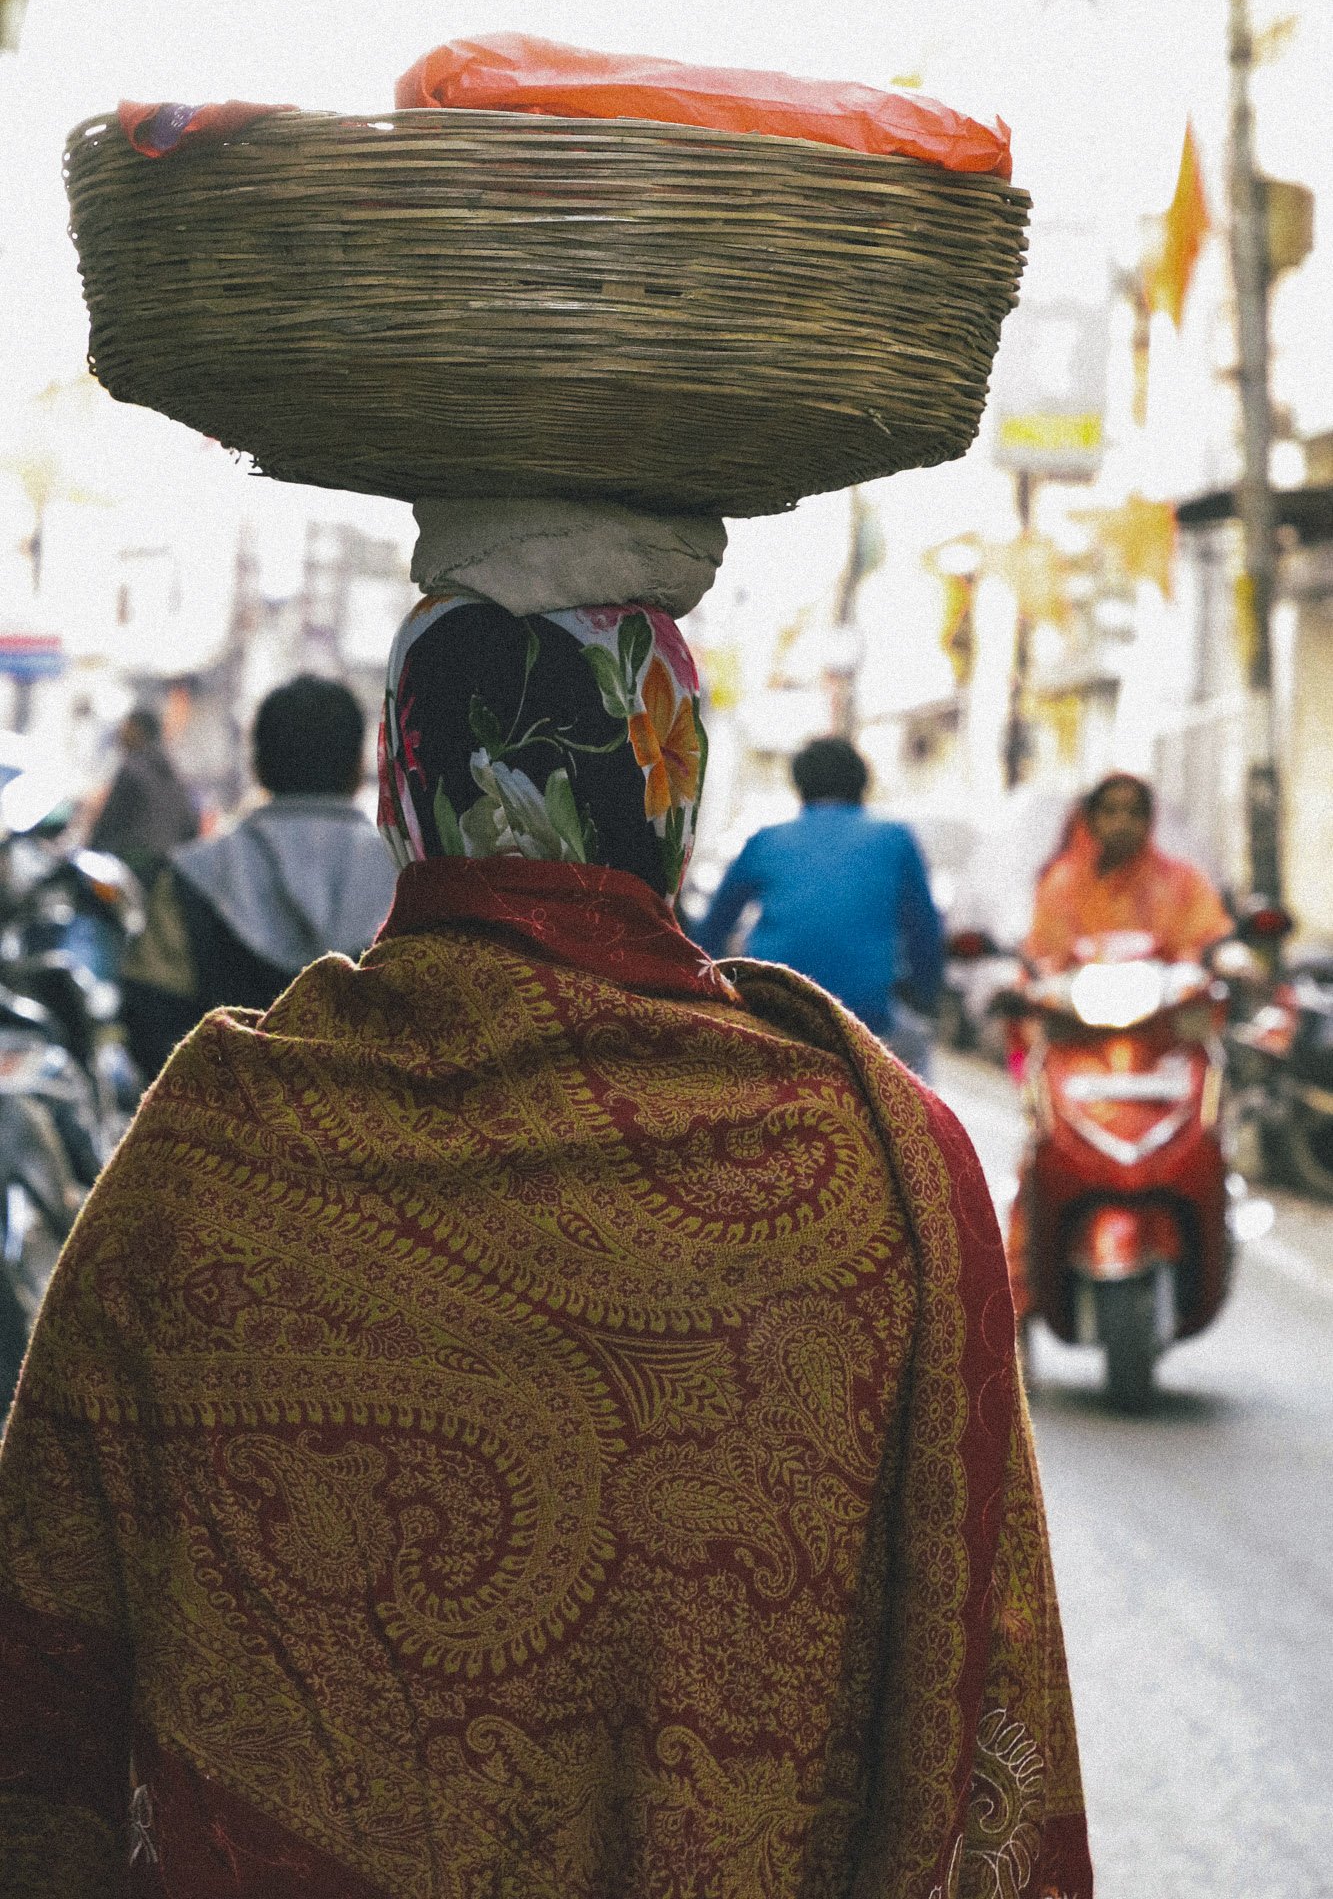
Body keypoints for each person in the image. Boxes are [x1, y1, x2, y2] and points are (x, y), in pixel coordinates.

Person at [0, 595, 1091, 1899]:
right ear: (670, 794)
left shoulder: (211, 1154)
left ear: (405, 792)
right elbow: (962, 1687)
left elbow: (52, 1647)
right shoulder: (861, 1167)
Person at [120, 675, 397, 1078]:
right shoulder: (411, 879)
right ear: (360, 766)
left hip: (219, 1132)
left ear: (258, 766)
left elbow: (151, 1018)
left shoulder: (192, 876)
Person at [696, 735, 943, 1075]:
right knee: (919, 1068)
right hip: (866, 1015)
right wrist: (926, 995)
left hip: (774, 1006)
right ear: (862, 784)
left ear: (799, 785)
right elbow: (924, 934)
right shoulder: (896, 839)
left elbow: (712, 929)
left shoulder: (766, 840)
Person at [1026, 770, 1231, 971]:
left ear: (1149, 820)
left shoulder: (1183, 881)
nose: (1122, 823)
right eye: (1110, 811)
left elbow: (1207, 940)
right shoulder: (1062, 882)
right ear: (1092, 820)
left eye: (1134, 812)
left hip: (1167, 1000)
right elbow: (1045, 954)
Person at [86, 706, 199, 883]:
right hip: (170, 870)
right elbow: (191, 826)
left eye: (126, 728)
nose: (120, 735)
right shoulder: (174, 774)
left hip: (135, 867)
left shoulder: (132, 769)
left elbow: (108, 824)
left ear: (138, 730)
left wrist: (88, 854)